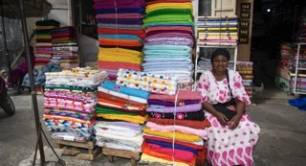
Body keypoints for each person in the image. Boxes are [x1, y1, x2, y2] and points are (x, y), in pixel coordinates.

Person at [196, 48, 260, 166]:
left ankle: (239, 159)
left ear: (228, 62)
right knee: (216, 131)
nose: (220, 63)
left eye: (223, 61)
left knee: (247, 127)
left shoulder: (234, 75)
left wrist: (237, 117)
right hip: (211, 110)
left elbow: (240, 99)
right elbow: (202, 100)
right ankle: (219, 161)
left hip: (231, 109)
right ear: (212, 62)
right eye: (216, 61)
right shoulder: (205, 76)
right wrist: (217, 114)